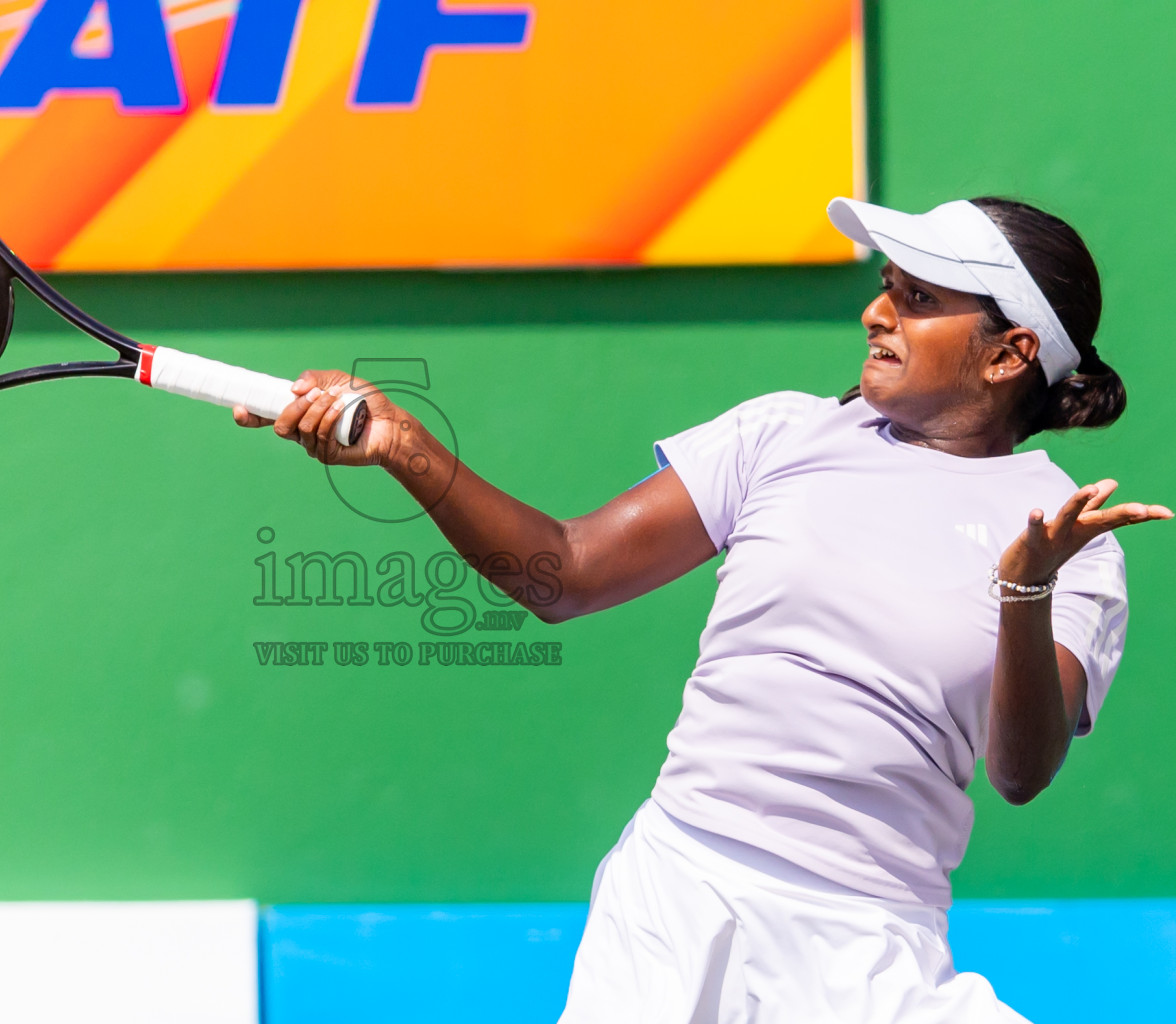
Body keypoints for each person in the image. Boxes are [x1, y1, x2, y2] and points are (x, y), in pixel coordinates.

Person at [234, 196, 1171, 1022]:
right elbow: (564, 572)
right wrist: (404, 445)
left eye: (919, 299)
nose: (877, 312)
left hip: (873, 941)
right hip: (680, 896)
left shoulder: (1073, 539)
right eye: (888, 286)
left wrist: (1025, 588)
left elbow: (1020, 770)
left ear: (1010, 354)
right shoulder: (782, 434)